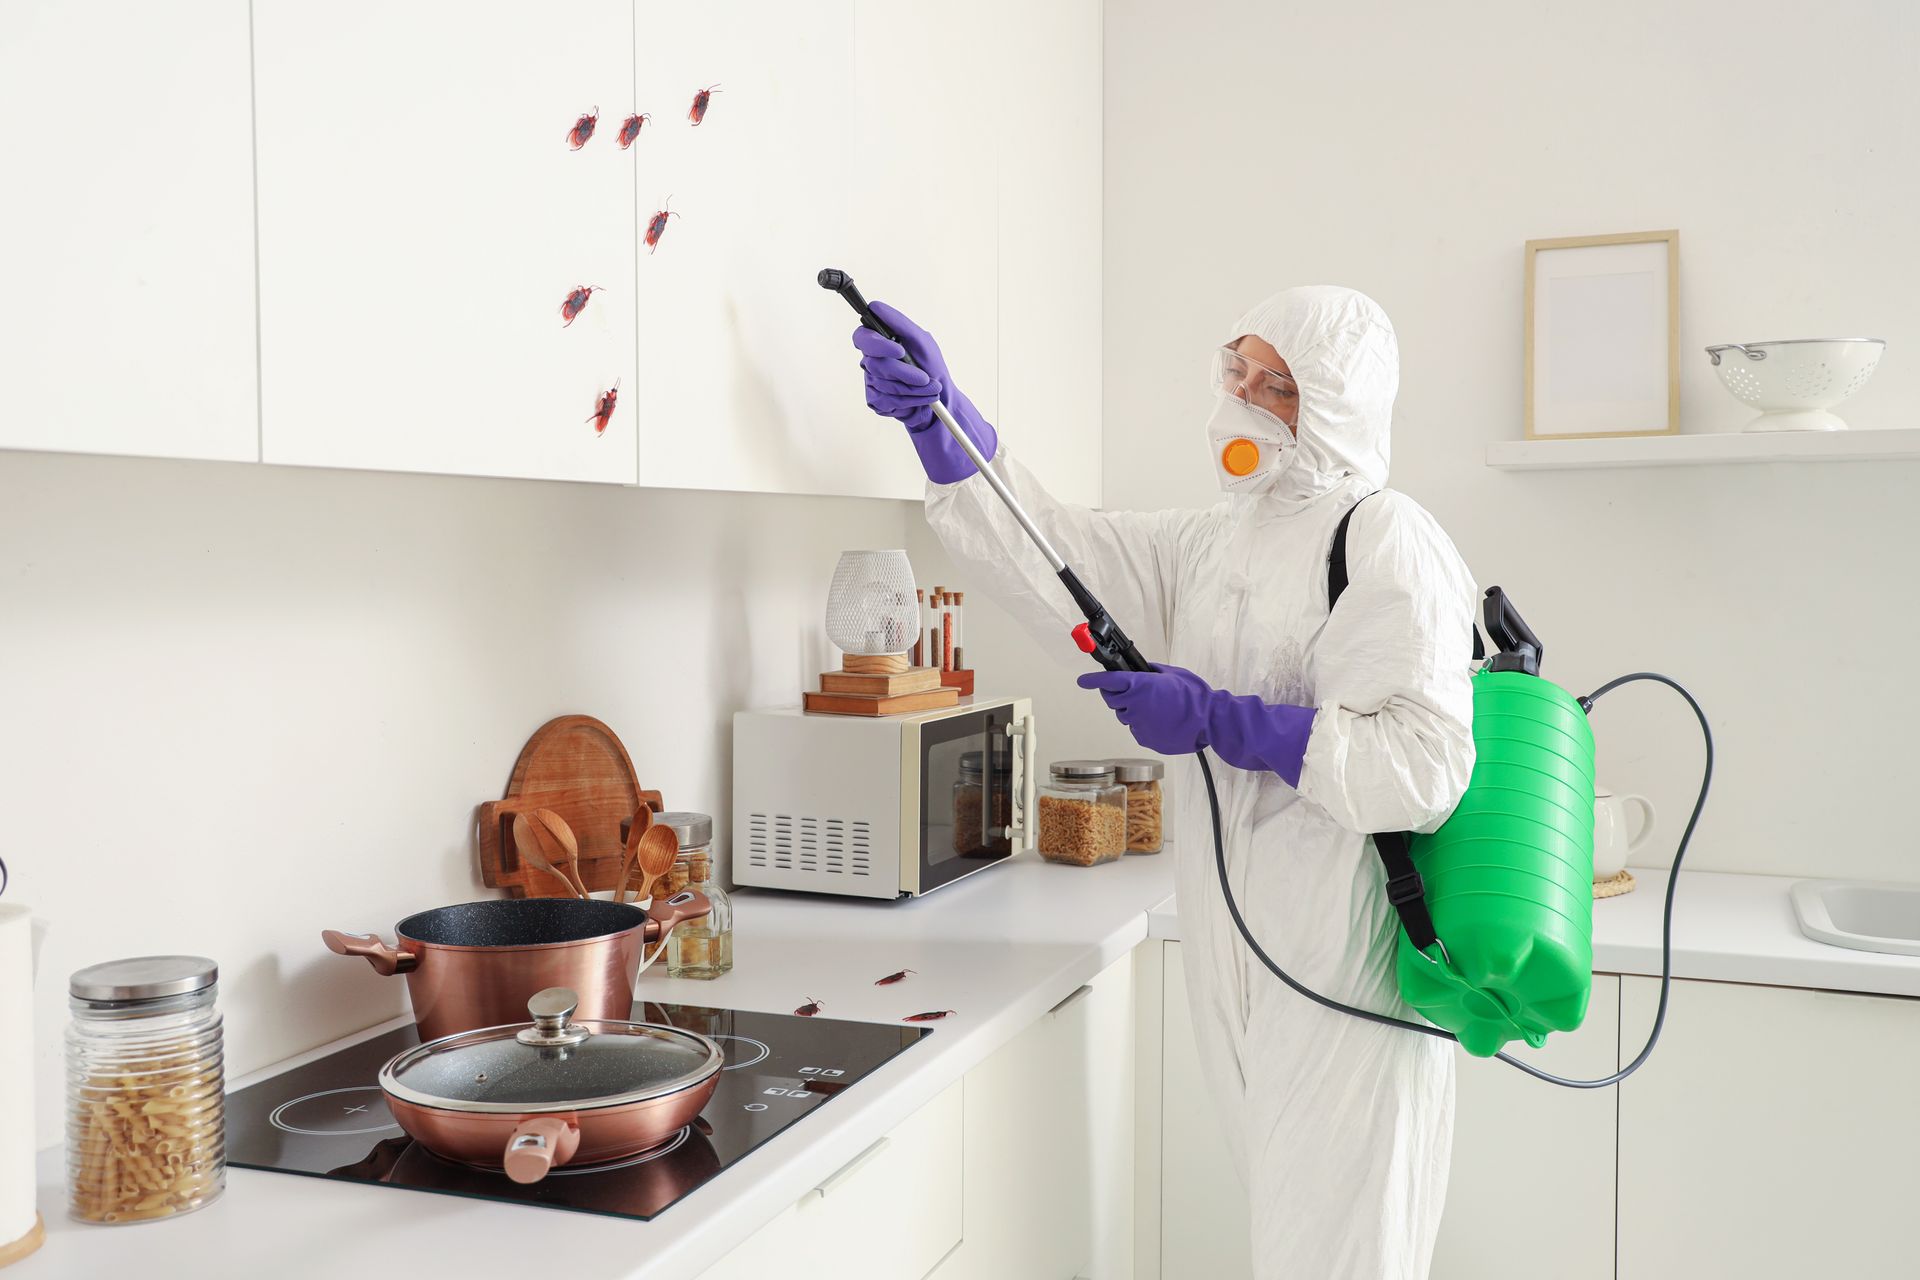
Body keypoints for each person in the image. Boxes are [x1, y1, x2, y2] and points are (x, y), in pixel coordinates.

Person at [850, 285, 1478, 1277]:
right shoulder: (1216, 540)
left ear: (1337, 405)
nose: (1241, 398)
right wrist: (945, 422)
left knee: (1338, 1259)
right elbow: (1056, 550)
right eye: (1239, 368)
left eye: (1277, 384)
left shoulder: (1385, 534)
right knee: (1290, 1243)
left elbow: (1422, 767)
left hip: (1344, 972)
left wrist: (1223, 720)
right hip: (1241, 957)